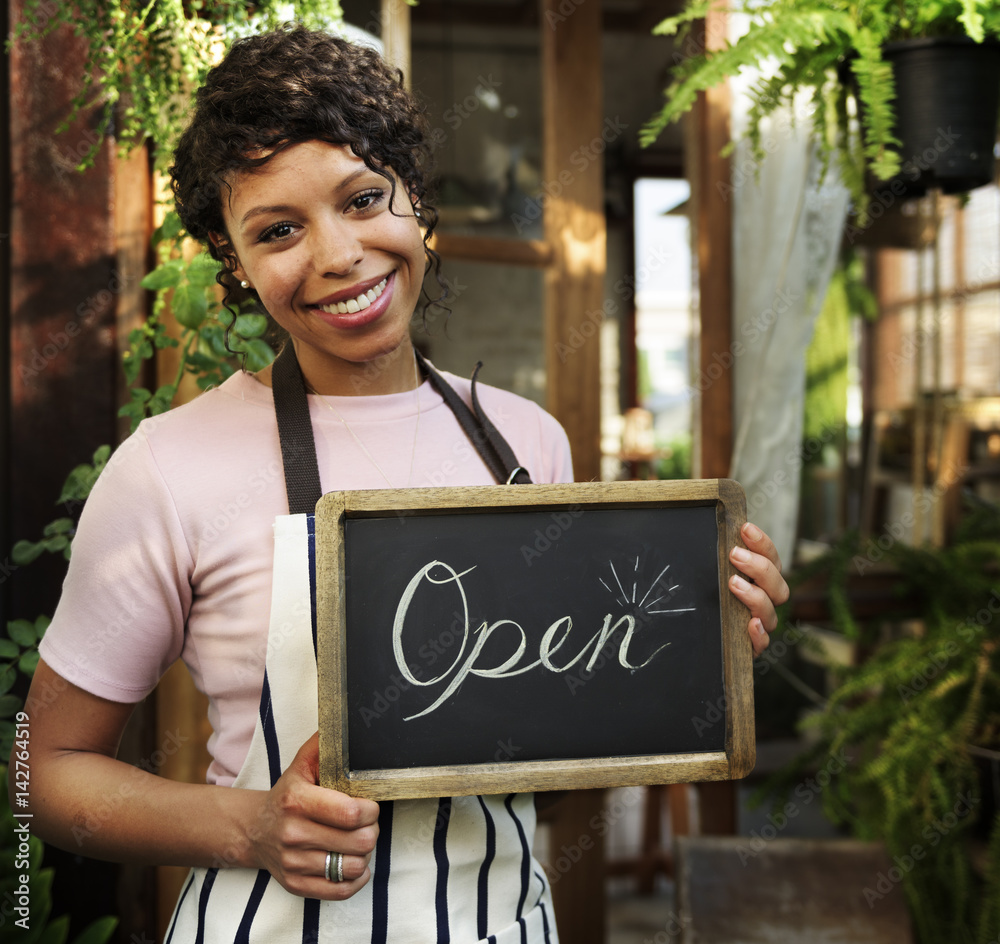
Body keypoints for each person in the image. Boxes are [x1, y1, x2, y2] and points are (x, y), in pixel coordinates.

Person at [23, 25, 789, 943]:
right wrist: (250, 827)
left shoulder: (526, 445)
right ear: (232, 262)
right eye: (278, 230)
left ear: (413, 197)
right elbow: (48, 772)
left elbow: (561, 728)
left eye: (362, 198)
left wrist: (691, 652)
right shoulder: (169, 466)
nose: (339, 254)